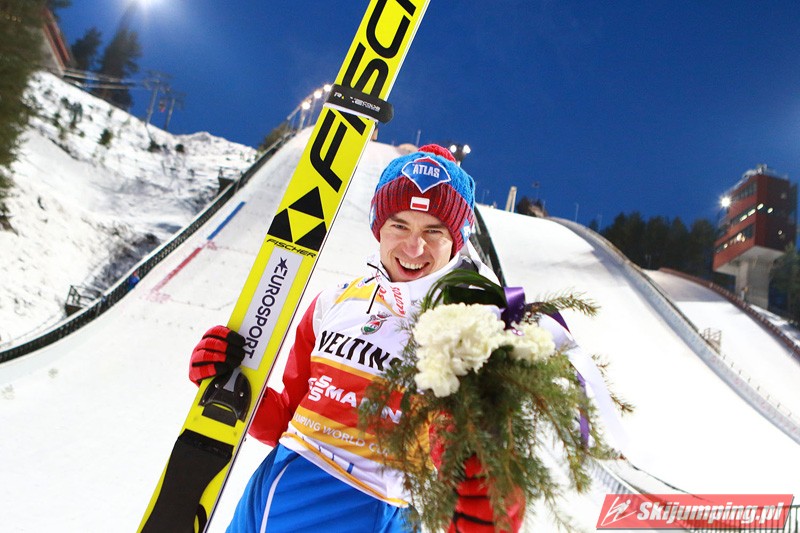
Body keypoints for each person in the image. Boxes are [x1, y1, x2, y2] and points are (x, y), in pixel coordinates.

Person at [189, 144, 522, 532]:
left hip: (371, 506)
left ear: (457, 240)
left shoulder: (467, 330)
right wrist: (226, 378)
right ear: (378, 226)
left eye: (434, 231)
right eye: (400, 225)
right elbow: (287, 418)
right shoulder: (334, 302)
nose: (414, 247)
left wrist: (488, 493)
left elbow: (471, 466)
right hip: (276, 489)